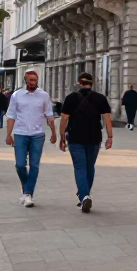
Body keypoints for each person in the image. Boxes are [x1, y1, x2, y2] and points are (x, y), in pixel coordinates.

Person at [58, 73, 113, 213]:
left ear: (78, 83)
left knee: (79, 167)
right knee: (89, 167)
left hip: (76, 137)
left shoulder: (71, 98)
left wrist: (61, 136)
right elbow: (107, 119)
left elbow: (64, 118)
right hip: (94, 137)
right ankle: (85, 195)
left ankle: (84, 196)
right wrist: (110, 137)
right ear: (92, 83)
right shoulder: (100, 98)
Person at [4, 70, 57, 208]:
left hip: (38, 135)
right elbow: (11, 116)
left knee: (34, 165)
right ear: (25, 80)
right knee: (20, 165)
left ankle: (28, 194)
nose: (33, 82)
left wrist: (53, 133)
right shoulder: (17, 95)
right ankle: (26, 188)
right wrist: (8, 135)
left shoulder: (43, 96)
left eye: (35, 80)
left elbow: (49, 115)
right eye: (31, 80)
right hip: (20, 133)